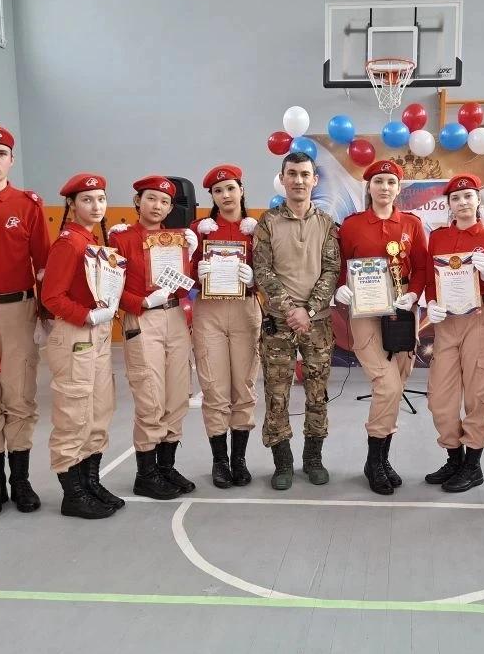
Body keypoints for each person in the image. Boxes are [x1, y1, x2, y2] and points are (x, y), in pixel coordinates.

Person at [334, 160, 429, 494]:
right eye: (378, 181)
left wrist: (414, 292)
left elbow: (421, 267)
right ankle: (373, 461)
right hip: (365, 313)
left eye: (390, 182)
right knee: (386, 385)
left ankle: (382, 458)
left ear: (398, 188)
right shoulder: (352, 225)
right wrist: (339, 288)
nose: (384, 187)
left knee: (397, 384)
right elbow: (338, 265)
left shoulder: (412, 224)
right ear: (369, 187)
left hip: (402, 312)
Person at [0, 125, 49, 520]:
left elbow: (44, 265)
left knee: (19, 397)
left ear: (12, 160)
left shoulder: (27, 204)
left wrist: (45, 315)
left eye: (1, 154)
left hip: (18, 309)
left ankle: (20, 480)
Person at [252, 152, 341, 490]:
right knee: (277, 394)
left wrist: (310, 309)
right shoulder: (268, 222)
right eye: (292, 174)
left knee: (317, 394)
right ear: (283, 178)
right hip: (278, 323)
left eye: (305, 174)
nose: (299, 180)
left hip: (318, 323)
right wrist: (291, 309)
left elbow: (332, 270)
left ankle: (313, 458)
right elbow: (262, 270)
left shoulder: (327, 223)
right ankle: (283, 463)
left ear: (314, 180)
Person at [108, 176, 199, 500]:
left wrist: (191, 254)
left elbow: (186, 285)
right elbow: (110, 289)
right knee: (150, 396)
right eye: (151, 198)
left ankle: (166, 467)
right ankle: (145, 475)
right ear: (137, 201)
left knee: (177, 394)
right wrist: (142, 302)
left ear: (170, 207)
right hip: (143, 318)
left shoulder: (176, 240)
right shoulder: (121, 239)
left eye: (164, 201)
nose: (157, 205)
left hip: (175, 316)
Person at [41, 173, 125, 519]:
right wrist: (87, 315)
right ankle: (72, 494)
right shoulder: (69, 243)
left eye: (101, 199)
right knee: (74, 413)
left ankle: (90, 483)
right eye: (87, 200)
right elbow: (51, 297)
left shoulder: (92, 242)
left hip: (97, 334)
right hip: (76, 334)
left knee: (99, 411)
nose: (96, 206)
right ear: (72, 204)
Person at [424, 174, 484, 492]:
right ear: (449, 204)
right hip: (447, 321)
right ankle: (454, 458)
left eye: (468, 196)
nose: (462, 203)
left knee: (478, 394)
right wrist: (431, 302)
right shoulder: (438, 238)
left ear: (478, 200)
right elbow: (431, 279)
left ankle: (472, 465)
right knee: (440, 398)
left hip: (481, 318)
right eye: (455, 198)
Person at [190, 164, 261, 488]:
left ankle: (239, 459)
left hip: (245, 309)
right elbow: (183, 273)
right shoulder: (199, 230)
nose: (225, 195)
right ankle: (220, 460)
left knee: (244, 387)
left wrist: (255, 279)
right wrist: (197, 275)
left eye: (231, 188)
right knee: (214, 388)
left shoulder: (257, 230)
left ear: (241, 190)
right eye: (218, 191)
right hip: (210, 313)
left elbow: (271, 272)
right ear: (212, 197)